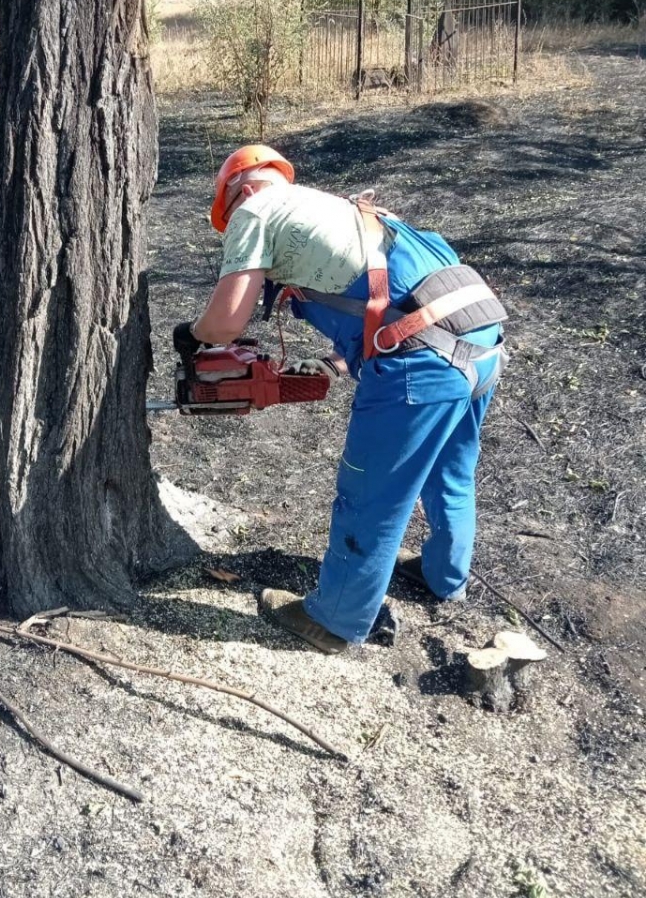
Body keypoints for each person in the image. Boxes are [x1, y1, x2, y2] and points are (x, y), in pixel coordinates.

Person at [173, 144, 507, 654]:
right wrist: (338, 362)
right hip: (481, 341)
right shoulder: (344, 209)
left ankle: (335, 621)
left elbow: (226, 322)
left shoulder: (256, 209)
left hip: (424, 363)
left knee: (369, 495)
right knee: (450, 473)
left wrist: (194, 335)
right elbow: (389, 297)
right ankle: (445, 577)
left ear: (237, 192)